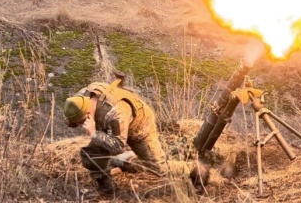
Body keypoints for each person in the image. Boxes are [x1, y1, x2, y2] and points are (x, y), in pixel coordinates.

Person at [63, 74, 209, 196]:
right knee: (90, 154)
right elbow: (73, 117)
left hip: (140, 127)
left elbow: (118, 146)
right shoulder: (80, 99)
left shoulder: (114, 112)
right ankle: (107, 189)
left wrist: (94, 133)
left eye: (82, 122)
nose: (81, 126)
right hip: (112, 127)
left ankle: (195, 169)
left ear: (88, 113)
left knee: (157, 168)